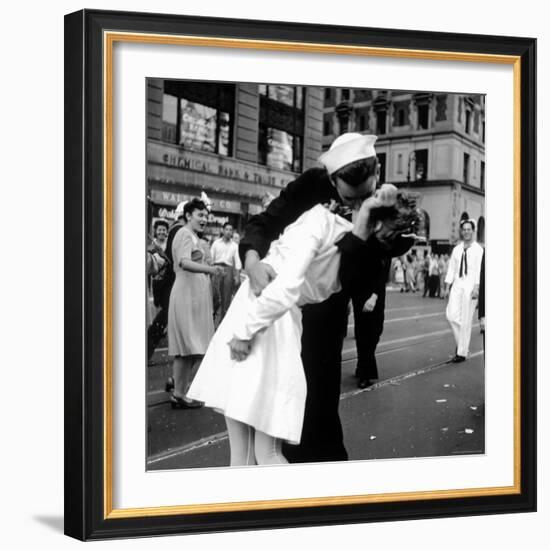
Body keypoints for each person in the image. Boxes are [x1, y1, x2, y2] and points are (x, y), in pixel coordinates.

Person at [187, 187, 419, 465]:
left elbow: (286, 288)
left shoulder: (326, 224)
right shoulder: (355, 248)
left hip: (264, 316)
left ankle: (281, 505)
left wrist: (245, 331)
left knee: (255, 453)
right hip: (273, 318)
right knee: (257, 452)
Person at [232, 133, 415, 463]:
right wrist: (251, 260)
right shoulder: (311, 187)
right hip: (284, 308)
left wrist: (382, 227)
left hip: (327, 310)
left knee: (318, 405)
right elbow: (265, 222)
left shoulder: (383, 201)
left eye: (365, 194)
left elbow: (381, 253)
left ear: (377, 171)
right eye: (350, 196)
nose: (359, 202)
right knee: (268, 407)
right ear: (332, 179)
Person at [167, 198, 223, 409]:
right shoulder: (183, 233)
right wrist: (211, 269)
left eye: (206, 216)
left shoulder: (194, 237)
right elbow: (183, 261)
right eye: (200, 215)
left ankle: (180, 390)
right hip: (186, 294)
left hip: (195, 296)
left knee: (192, 348)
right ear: (188, 216)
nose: (204, 219)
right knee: (187, 347)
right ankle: (179, 393)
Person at [147, 204, 186, 361]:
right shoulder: (179, 230)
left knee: (167, 318)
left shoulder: (177, 230)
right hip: (171, 281)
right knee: (164, 318)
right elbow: (173, 259)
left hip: (171, 280)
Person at [445, 219, 484, 363]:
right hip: (457, 284)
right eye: (464, 229)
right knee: (451, 315)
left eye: (469, 229)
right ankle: (463, 346)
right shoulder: (457, 249)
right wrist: (446, 286)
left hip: (471, 286)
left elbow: (481, 270)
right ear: (461, 231)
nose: (466, 232)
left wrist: (477, 287)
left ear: (473, 231)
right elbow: (452, 268)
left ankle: (461, 352)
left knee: (466, 320)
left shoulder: (479, 250)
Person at [210, 223, 242, 326]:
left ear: (232, 232)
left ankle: (222, 324)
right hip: (216, 268)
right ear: (222, 230)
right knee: (214, 296)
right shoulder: (216, 243)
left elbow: (237, 262)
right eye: (226, 229)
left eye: (230, 230)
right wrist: (210, 271)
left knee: (226, 297)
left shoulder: (235, 246)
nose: (228, 231)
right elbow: (211, 258)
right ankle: (211, 319)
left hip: (228, 270)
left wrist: (237, 276)